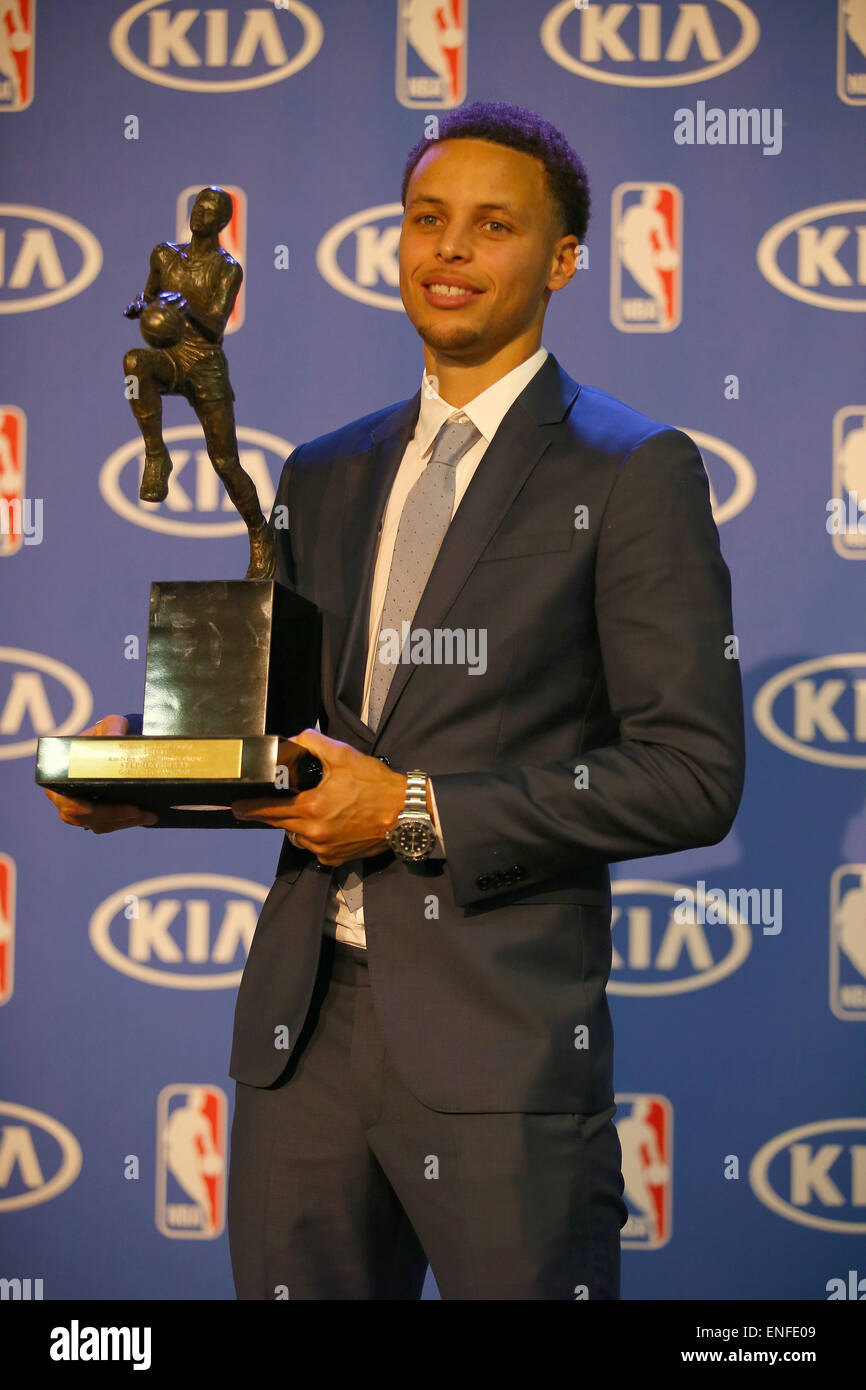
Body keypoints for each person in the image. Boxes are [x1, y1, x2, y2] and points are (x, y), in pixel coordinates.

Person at [45, 101, 746, 1299]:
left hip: (499, 1056)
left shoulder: (632, 472)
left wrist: (416, 809)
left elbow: (690, 773)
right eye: (427, 219)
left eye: (490, 225)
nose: (448, 250)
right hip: (301, 1041)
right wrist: (148, 784)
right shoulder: (324, 469)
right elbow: (300, 746)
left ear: (562, 260)